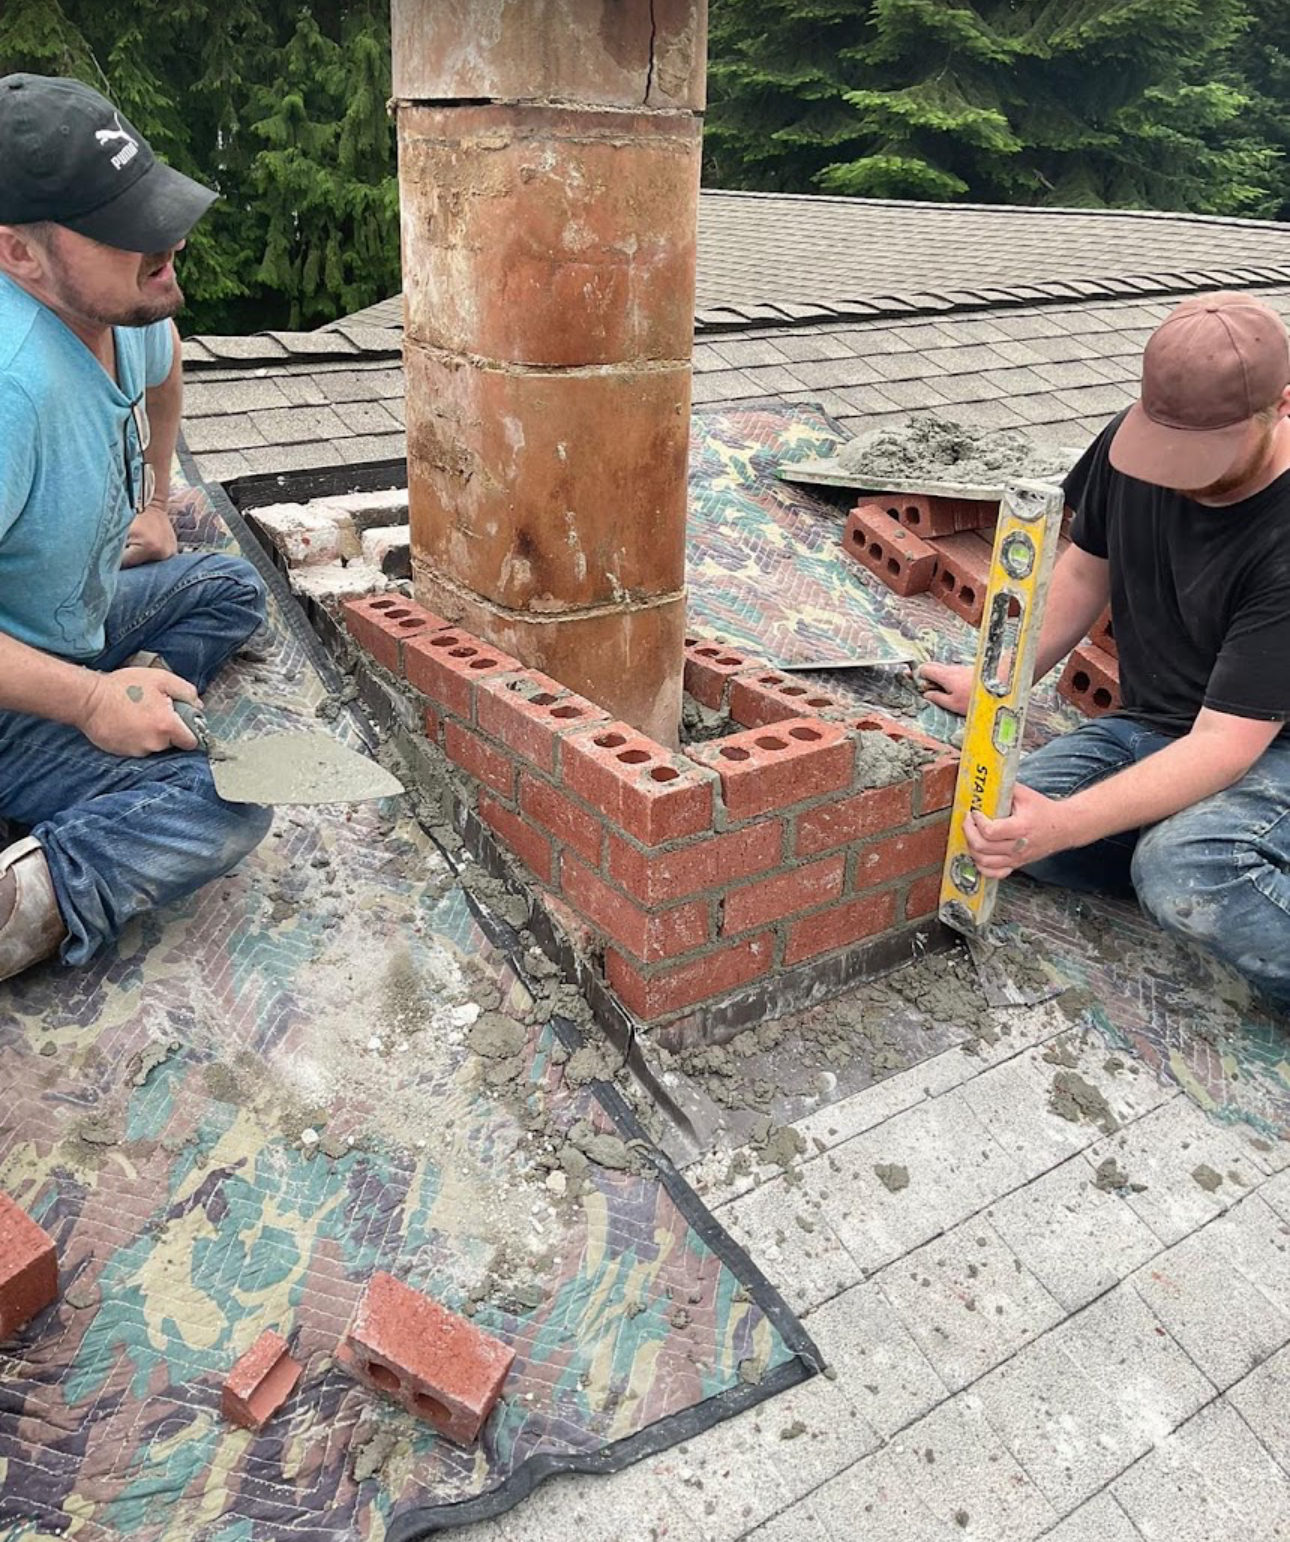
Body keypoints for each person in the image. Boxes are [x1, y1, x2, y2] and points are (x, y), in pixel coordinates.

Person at [919, 292, 1290, 1011]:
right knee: (1000, 819)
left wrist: (1065, 825)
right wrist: (999, 680)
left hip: (1267, 744)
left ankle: (1207, 844)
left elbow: (1224, 747)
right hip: (1158, 723)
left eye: (1206, 451)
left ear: (1279, 406)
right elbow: (1088, 568)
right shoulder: (1135, 439)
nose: (1179, 473)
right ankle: (1178, 827)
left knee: (1187, 875)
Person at [0, 74, 272, 985]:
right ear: (20, 254)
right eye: (126, 225)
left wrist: (155, 500)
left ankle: (122, 710)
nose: (170, 244)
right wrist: (85, 704)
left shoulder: (128, 303)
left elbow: (165, 373)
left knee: (230, 586)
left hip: (71, 625)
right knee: (226, 802)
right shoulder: (11, 387)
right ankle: (22, 898)